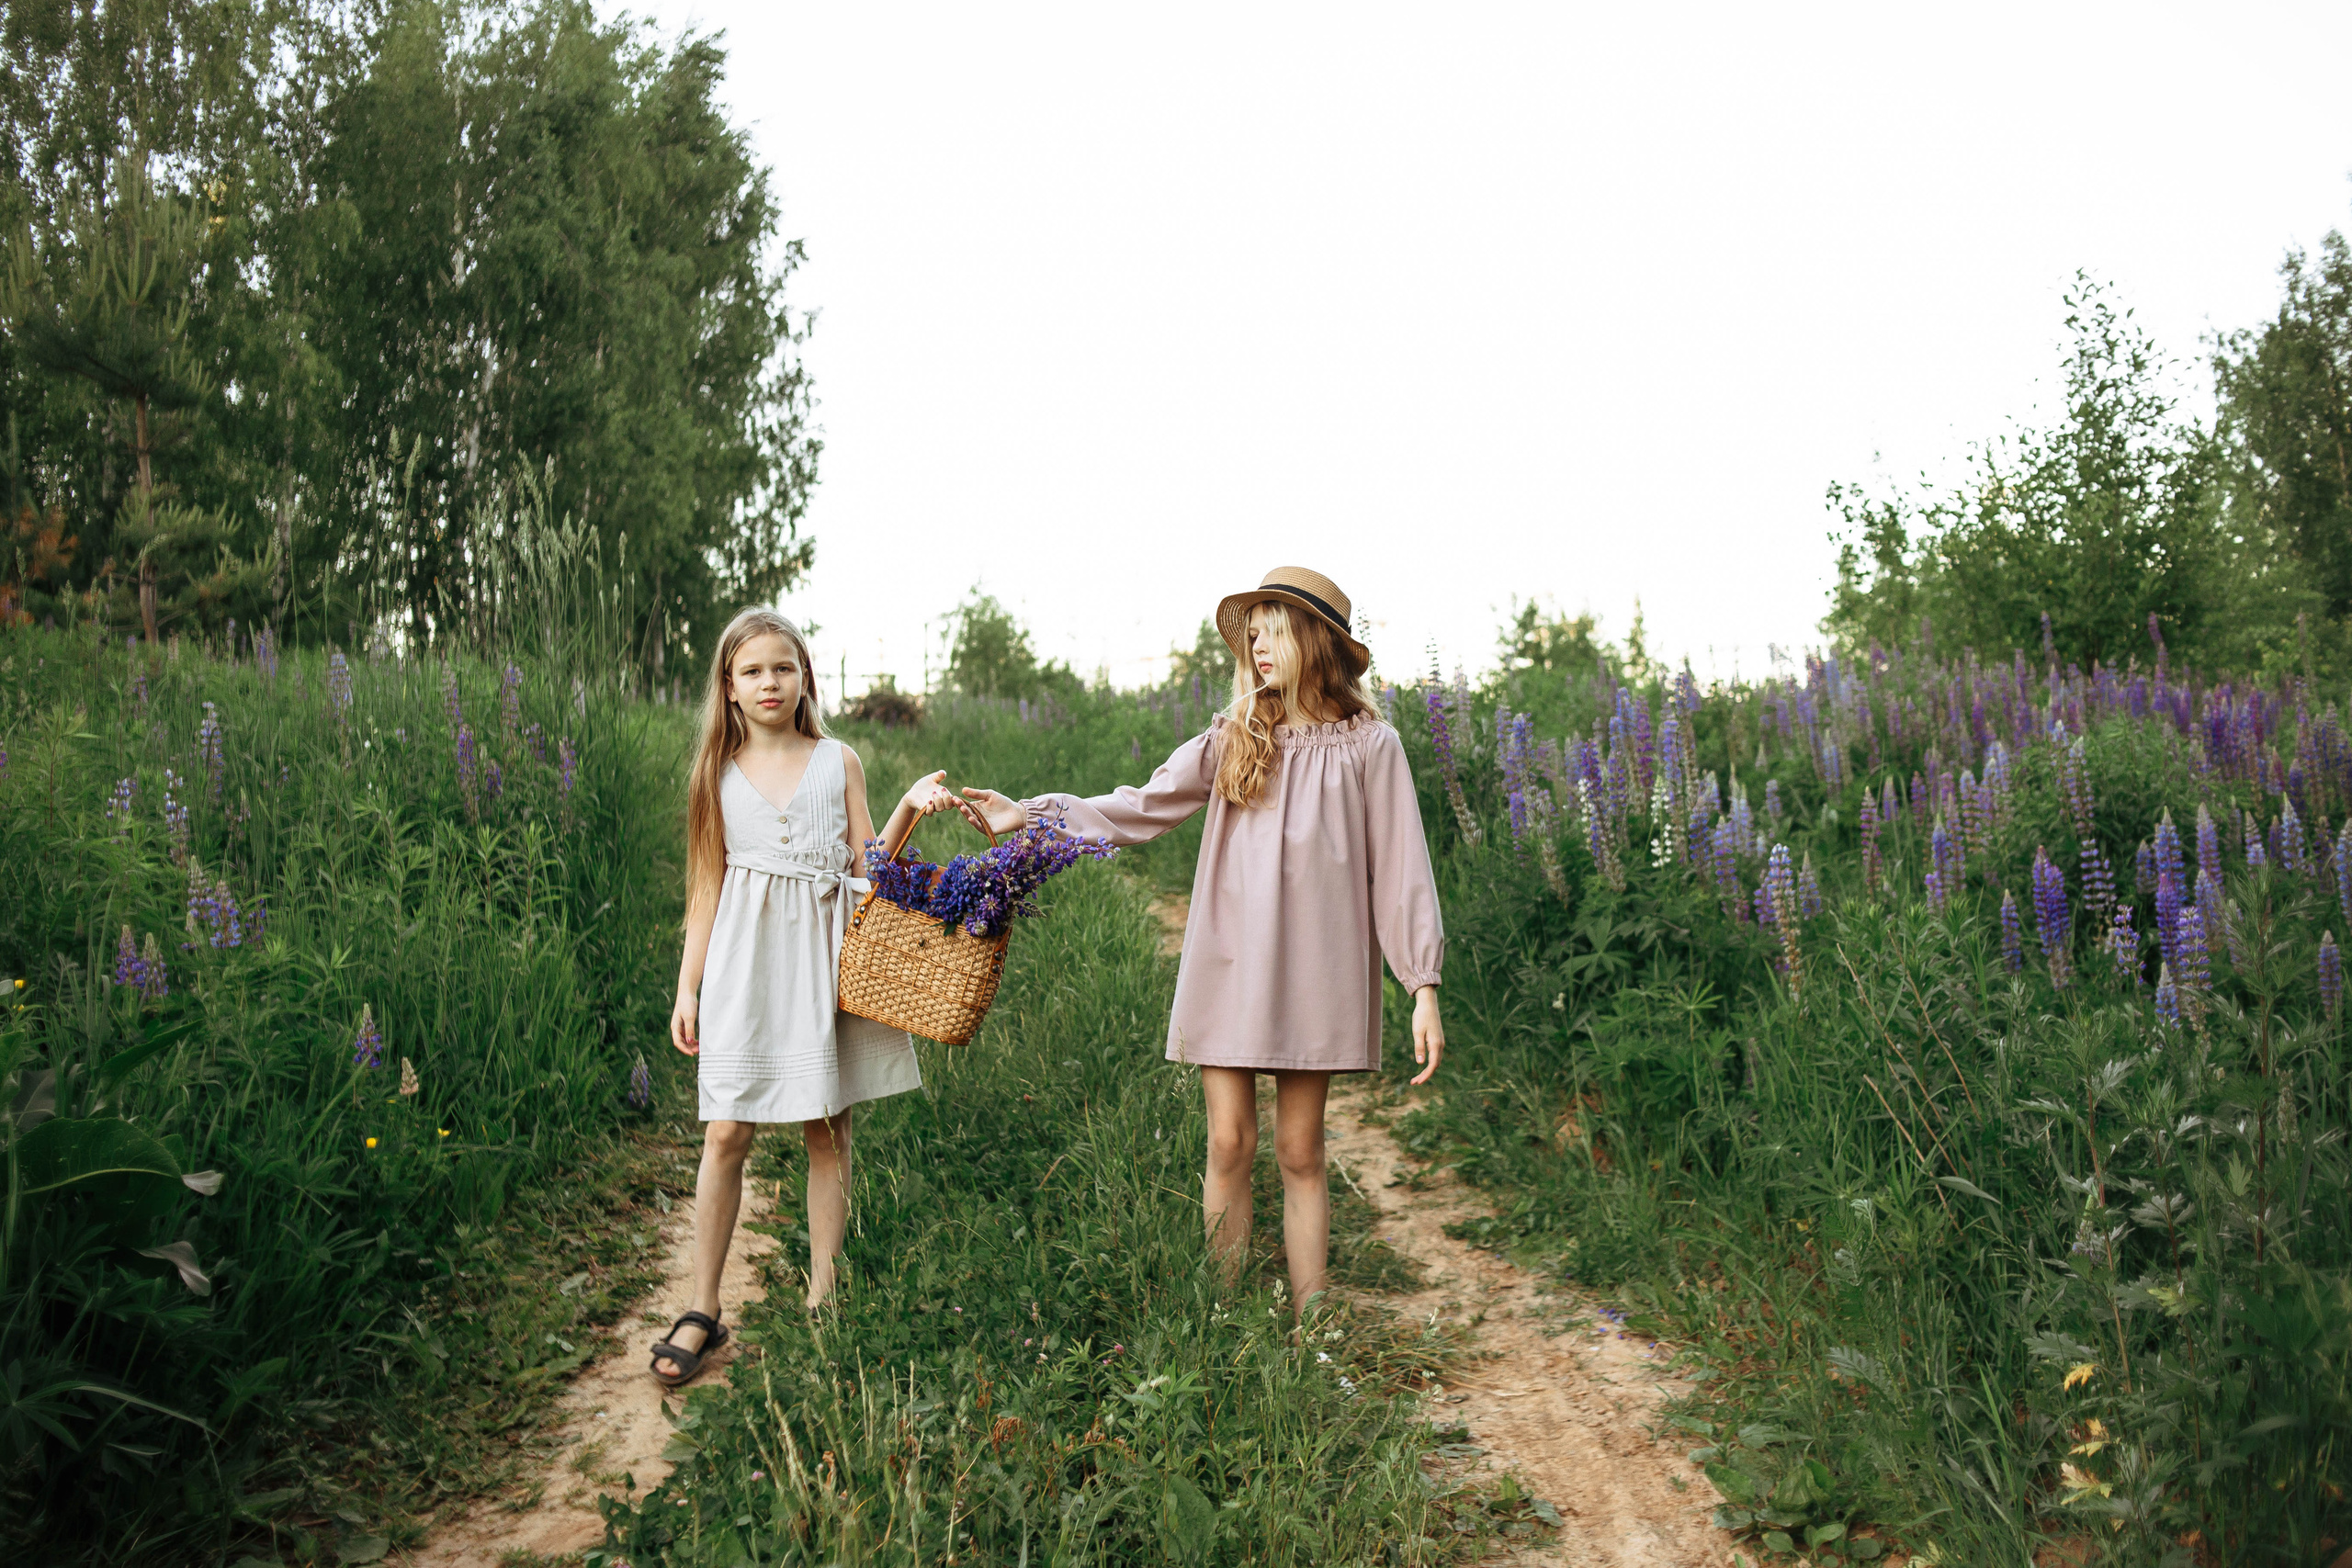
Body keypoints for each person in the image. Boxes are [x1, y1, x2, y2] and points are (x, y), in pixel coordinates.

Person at [960, 567, 1445, 1309]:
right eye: (1250, 632)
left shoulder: (1370, 747)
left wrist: (1422, 983)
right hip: (1229, 963)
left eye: (1272, 629)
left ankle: (1311, 1325)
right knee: (1228, 1142)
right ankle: (1221, 1316)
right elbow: (1139, 807)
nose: (1256, 644)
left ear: (1316, 641)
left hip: (1317, 972)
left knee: (1300, 1149)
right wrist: (1030, 813)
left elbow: (1404, 865)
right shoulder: (1234, 737)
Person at [655, 608, 967, 1386]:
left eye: (783, 668)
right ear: (728, 689)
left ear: (805, 679)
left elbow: (872, 864)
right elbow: (706, 887)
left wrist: (907, 806)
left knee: (826, 1128)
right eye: (753, 671)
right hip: (745, 967)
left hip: (824, 962)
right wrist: (688, 985)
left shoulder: (837, 761)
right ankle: (702, 1305)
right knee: (727, 1129)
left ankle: (824, 1298)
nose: (770, 682)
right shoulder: (715, 774)